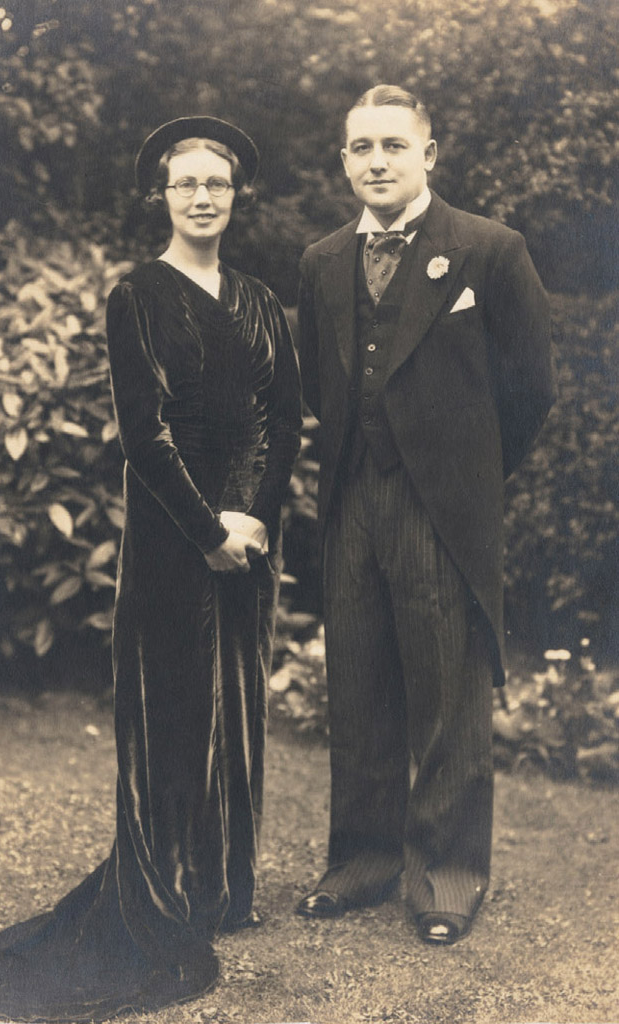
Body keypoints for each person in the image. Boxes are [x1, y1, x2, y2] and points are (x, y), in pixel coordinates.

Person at [0, 116, 301, 1020]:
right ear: (163, 196)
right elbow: (145, 435)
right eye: (186, 185)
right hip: (175, 538)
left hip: (250, 533)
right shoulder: (136, 294)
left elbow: (283, 419)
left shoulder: (260, 300)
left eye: (216, 182)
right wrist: (210, 530)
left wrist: (252, 517)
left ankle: (223, 890)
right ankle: (171, 887)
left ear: (235, 193)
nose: (202, 196)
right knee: (175, 705)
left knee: (239, 708)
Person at [295, 85, 555, 945]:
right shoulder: (321, 261)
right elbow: (316, 384)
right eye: (361, 148)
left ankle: (445, 875)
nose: (376, 161)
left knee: (447, 690)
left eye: (393, 147)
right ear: (343, 161)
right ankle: (362, 862)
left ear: (428, 155)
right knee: (360, 684)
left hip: (441, 505)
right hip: (350, 500)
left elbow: (529, 390)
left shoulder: (488, 249)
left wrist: (469, 475)